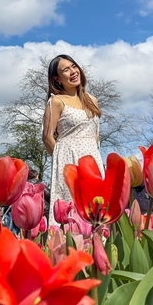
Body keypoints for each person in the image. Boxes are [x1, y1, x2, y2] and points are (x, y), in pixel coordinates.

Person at [42, 54, 103, 225]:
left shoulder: (92, 100)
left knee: (95, 211)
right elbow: (47, 137)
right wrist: (63, 162)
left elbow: (95, 134)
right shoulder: (56, 101)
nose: (73, 72)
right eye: (66, 70)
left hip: (93, 161)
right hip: (69, 161)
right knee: (72, 212)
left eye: (74, 66)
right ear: (57, 78)